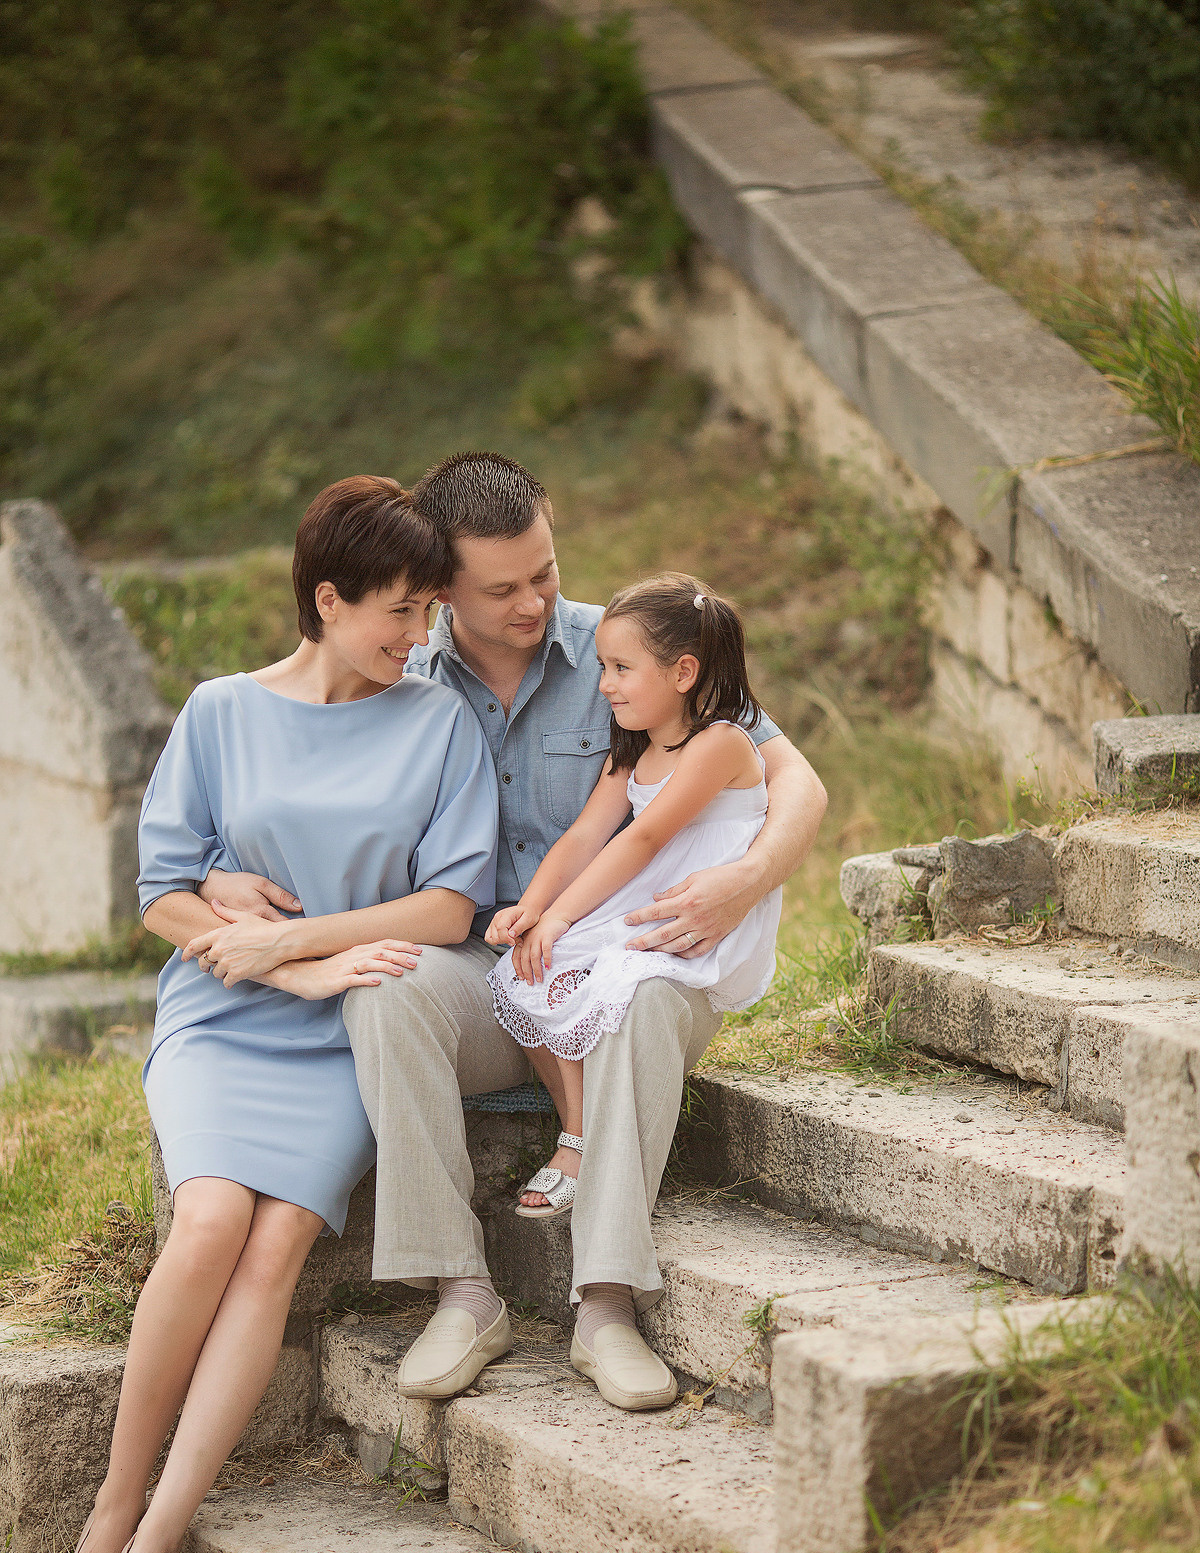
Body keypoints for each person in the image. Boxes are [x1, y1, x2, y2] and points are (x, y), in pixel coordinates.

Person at [204, 451, 827, 1414]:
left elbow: (795, 779)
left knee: (647, 996)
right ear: (441, 588)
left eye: (546, 571)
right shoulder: (394, 670)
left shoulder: (631, 651)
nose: (535, 601)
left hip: (628, 957)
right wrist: (214, 871)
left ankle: (606, 1305)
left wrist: (746, 878)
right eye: (502, 589)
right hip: (486, 972)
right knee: (388, 990)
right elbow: (296, 788)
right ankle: (460, 1291)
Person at [55, 477, 498, 1553]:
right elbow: (162, 895)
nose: (419, 639)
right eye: (399, 613)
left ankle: (158, 1542)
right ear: (327, 598)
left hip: (349, 1021)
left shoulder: (438, 721)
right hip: (224, 1013)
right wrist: (253, 949)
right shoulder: (220, 710)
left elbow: (454, 903)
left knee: (275, 1244)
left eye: (429, 613)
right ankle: (110, 1507)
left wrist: (300, 951)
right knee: (207, 1227)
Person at [484, 573, 782, 1406]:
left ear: (682, 673)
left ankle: (607, 1297)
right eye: (604, 668)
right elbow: (589, 831)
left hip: (684, 924)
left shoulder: (722, 743)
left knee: (625, 982)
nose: (604, 685)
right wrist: (533, 912)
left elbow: (649, 836)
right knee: (526, 974)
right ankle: (578, 1132)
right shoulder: (634, 743)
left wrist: (566, 914)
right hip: (633, 909)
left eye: (620, 670)